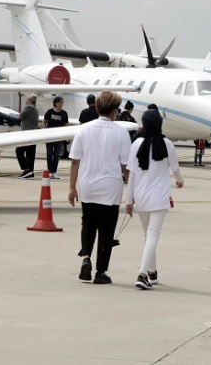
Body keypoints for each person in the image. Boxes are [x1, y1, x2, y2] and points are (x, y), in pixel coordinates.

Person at [68, 91, 132, 285]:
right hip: (110, 187)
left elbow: (74, 162)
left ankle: (85, 257)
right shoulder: (121, 132)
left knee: (87, 223)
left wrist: (72, 188)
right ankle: (100, 271)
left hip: (87, 184)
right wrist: (132, 192)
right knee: (106, 229)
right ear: (113, 111)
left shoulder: (83, 130)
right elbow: (125, 166)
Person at [125, 109, 185, 290]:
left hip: (140, 196)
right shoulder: (167, 144)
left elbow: (132, 175)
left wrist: (129, 200)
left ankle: (152, 272)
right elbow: (175, 169)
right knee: (152, 235)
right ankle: (142, 274)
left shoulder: (136, 144)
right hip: (159, 196)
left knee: (148, 235)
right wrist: (180, 182)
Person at [15, 94, 39, 180]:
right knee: (30, 154)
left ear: (30, 101)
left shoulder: (28, 107)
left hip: (27, 133)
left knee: (19, 150)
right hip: (34, 133)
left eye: (27, 100)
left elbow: (19, 117)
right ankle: (30, 173)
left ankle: (26, 169)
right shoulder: (36, 110)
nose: (26, 101)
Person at [44, 96, 69, 179]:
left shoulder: (64, 113)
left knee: (56, 155)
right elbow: (45, 121)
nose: (61, 104)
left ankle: (54, 171)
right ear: (55, 103)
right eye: (59, 102)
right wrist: (45, 130)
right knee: (49, 154)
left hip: (59, 137)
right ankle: (50, 171)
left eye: (62, 102)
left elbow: (65, 124)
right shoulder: (50, 112)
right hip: (49, 136)